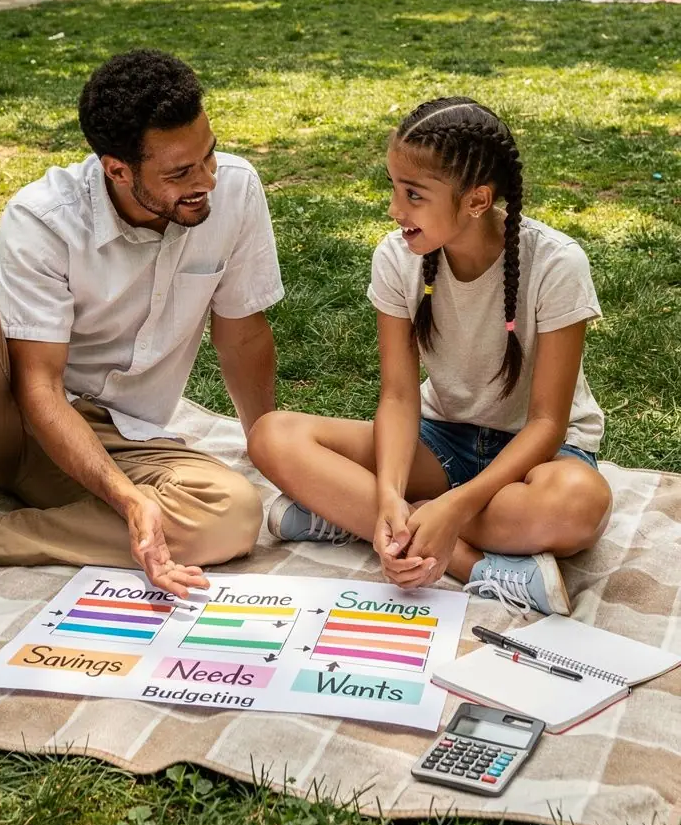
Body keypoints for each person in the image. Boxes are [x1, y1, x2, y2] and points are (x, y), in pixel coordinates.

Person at [0, 50, 285, 637]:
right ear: (117, 170)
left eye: (209, 154)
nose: (206, 181)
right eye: (180, 173)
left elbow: (242, 335)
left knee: (232, 515)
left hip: (123, 437)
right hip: (5, 419)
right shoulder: (44, 218)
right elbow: (38, 386)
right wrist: (127, 499)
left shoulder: (233, 193)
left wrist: (271, 450)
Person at [249, 97, 611, 618]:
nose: (395, 210)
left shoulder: (556, 263)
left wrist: (454, 507)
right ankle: (468, 561)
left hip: (539, 458)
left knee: (578, 506)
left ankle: (360, 516)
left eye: (414, 194)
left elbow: (547, 424)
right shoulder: (397, 257)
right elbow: (398, 396)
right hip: (442, 442)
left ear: (477, 200)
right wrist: (390, 494)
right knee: (273, 435)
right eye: (394, 189)